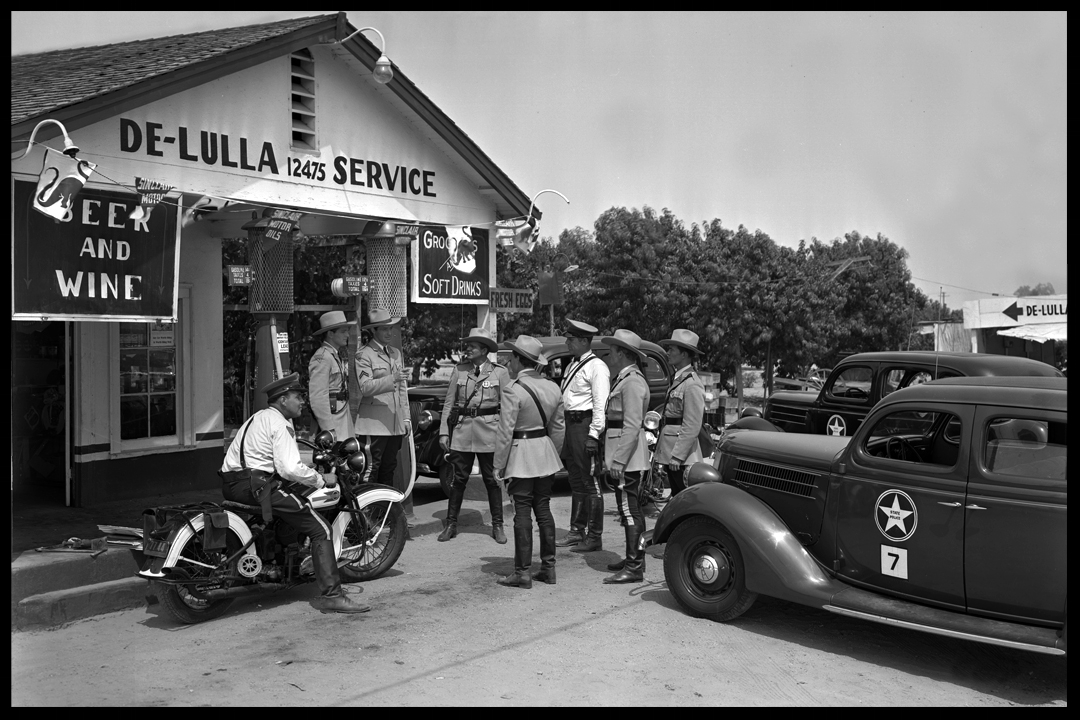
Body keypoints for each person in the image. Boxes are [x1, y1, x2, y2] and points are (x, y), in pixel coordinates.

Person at [219, 373, 369, 614]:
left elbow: (277, 463)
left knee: (293, 500)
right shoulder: (280, 423)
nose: (302, 402)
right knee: (321, 529)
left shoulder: (258, 418)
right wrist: (321, 479)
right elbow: (289, 468)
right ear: (282, 400)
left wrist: (304, 472)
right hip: (257, 486)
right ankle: (333, 595)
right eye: (297, 397)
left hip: (235, 483)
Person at [493, 335, 565, 588]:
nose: (508, 361)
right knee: (543, 510)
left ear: (517, 359)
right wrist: (550, 454)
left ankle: (522, 572)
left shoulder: (514, 389)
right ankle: (548, 568)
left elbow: (505, 431)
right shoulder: (553, 387)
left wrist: (498, 464)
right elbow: (558, 428)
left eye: (510, 357)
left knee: (521, 512)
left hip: (521, 454)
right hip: (545, 452)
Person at [436, 327, 512, 544]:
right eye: (467, 345)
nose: (467, 349)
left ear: (484, 350)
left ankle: (497, 525)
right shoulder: (459, 371)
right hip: (462, 432)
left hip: (490, 432)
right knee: (458, 480)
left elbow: (507, 407)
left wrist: (506, 436)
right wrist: (444, 432)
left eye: (472, 346)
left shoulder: (500, 373)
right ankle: (451, 524)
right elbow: (449, 403)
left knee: (492, 480)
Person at [599, 329, 651, 583]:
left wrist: (618, 460)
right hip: (625, 453)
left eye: (611, 351)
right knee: (628, 509)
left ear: (621, 353)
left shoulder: (631, 382)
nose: (609, 355)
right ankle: (634, 559)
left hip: (627, 456)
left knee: (630, 510)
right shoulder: (625, 379)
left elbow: (631, 425)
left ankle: (634, 566)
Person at [555, 319, 610, 552]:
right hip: (570, 424)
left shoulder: (596, 367)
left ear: (584, 341)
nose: (567, 342)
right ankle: (577, 530)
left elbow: (601, 403)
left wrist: (594, 434)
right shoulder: (572, 365)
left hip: (584, 424)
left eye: (571, 339)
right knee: (576, 480)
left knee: (591, 482)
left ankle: (594, 535)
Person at [354, 308, 411, 487]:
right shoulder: (364, 354)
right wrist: (392, 378)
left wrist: (406, 417)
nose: (389, 332)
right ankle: (366, 511)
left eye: (390, 328)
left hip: (394, 424)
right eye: (384, 329)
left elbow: (402, 389)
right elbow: (365, 387)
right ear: (373, 331)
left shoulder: (395, 353)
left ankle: (386, 511)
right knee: (371, 468)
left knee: (389, 468)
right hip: (374, 424)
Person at [655, 329, 706, 497]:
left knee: (683, 498)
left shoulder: (691, 384)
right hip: (672, 451)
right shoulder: (679, 379)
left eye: (672, 350)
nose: (668, 353)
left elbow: (692, 424)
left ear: (684, 354)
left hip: (681, 457)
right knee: (676, 496)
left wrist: (678, 455)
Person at [307, 310, 355, 442]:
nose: (347, 334)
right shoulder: (322, 357)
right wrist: (328, 428)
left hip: (341, 421)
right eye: (343, 331)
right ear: (330, 334)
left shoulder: (335, 355)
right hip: (333, 425)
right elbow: (318, 396)